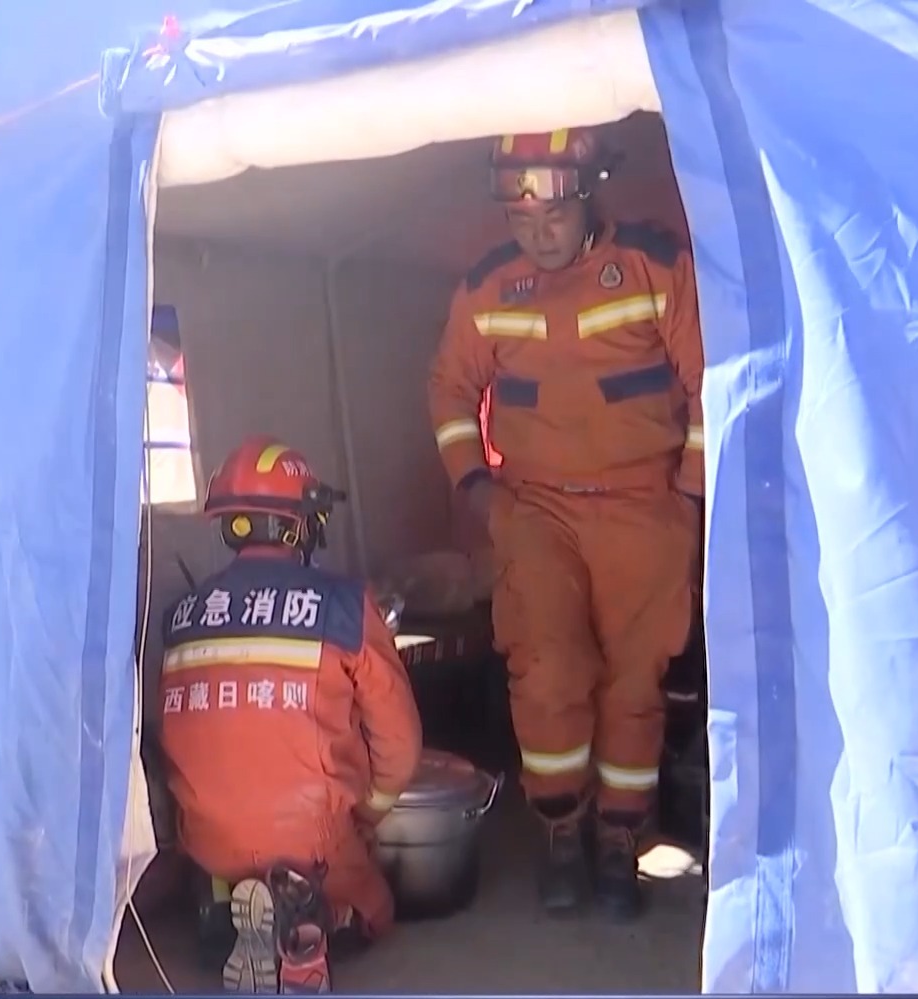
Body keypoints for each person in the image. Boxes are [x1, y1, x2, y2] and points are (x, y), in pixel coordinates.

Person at [426, 127, 705, 922]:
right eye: (519, 219)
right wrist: (475, 486)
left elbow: (711, 383)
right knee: (547, 673)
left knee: (634, 680)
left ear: (587, 196)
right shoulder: (487, 288)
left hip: (643, 508)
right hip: (537, 509)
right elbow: (449, 389)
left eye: (551, 216)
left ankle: (619, 841)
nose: (537, 234)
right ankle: (561, 832)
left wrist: (688, 496)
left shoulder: (656, 266)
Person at [157, 435, 422, 994]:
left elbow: (176, 739)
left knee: (224, 859)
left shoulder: (181, 616)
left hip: (206, 836)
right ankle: (306, 930)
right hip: (312, 838)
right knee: (376, 912)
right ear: (300, 526)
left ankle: (225, 913)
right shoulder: (345, 606)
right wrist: (369, 811)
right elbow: (399, 742)